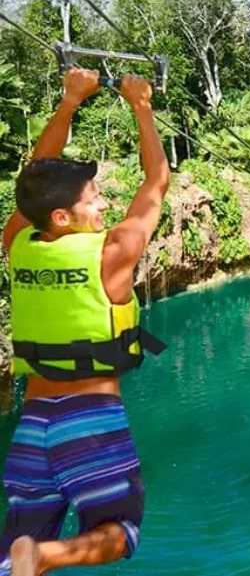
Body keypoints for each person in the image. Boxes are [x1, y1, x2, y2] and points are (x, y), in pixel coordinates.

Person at [0, 67, 170, 576]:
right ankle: (45, 555)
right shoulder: (112, 253)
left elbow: (35, 176)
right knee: (119, 534)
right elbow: (157, 181)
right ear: (60, 216)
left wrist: (71, 100)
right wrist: (141, 105)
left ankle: (21, 558)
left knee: (13, 550)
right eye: (92, 197)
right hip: (89, 421)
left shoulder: (17, 242)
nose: (103, 202)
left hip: (32, 427)